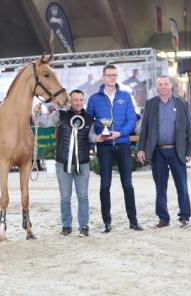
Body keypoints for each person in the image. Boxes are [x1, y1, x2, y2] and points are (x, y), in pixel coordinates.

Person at [35, 89, 102, 237]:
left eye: (80, 100)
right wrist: (37, 113)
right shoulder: (60, 114)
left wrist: (98, 138)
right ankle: (66, 226)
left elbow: (91, 137)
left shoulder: (89, 119)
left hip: (82, 163)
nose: (78, 102)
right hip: (63, 162)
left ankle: (84, 226)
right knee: (65, 197)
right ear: (70, 101)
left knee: (83, 196)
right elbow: (45, 123)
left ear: (83, 101)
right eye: (75, 100)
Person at [87, 64, 143, 233]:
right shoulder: (94, 99)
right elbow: (89, 121)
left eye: (114, 75)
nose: (111, 78)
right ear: (103, 77)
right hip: (104, 147)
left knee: (128, 184)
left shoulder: (125, 97)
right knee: (105, 185)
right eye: (108, 75)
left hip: (122, 144)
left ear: (116, 77)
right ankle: (107, 222)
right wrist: (99, 134)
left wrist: (120, 133)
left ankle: (133, 221)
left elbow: (132, 120)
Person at [137, 75, 191, 228]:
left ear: (171, 86)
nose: (163, 87)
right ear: (157, 87)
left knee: (182, 185)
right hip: (158, 152)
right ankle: (163, 218)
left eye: (165, 84)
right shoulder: (150, 104)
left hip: (177, 151)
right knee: (160, 187)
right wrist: (140, 149)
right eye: (160, 84)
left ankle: (184, 216)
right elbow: (144, 129)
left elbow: (190, 129)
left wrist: (190, 150)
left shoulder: (182, 104)